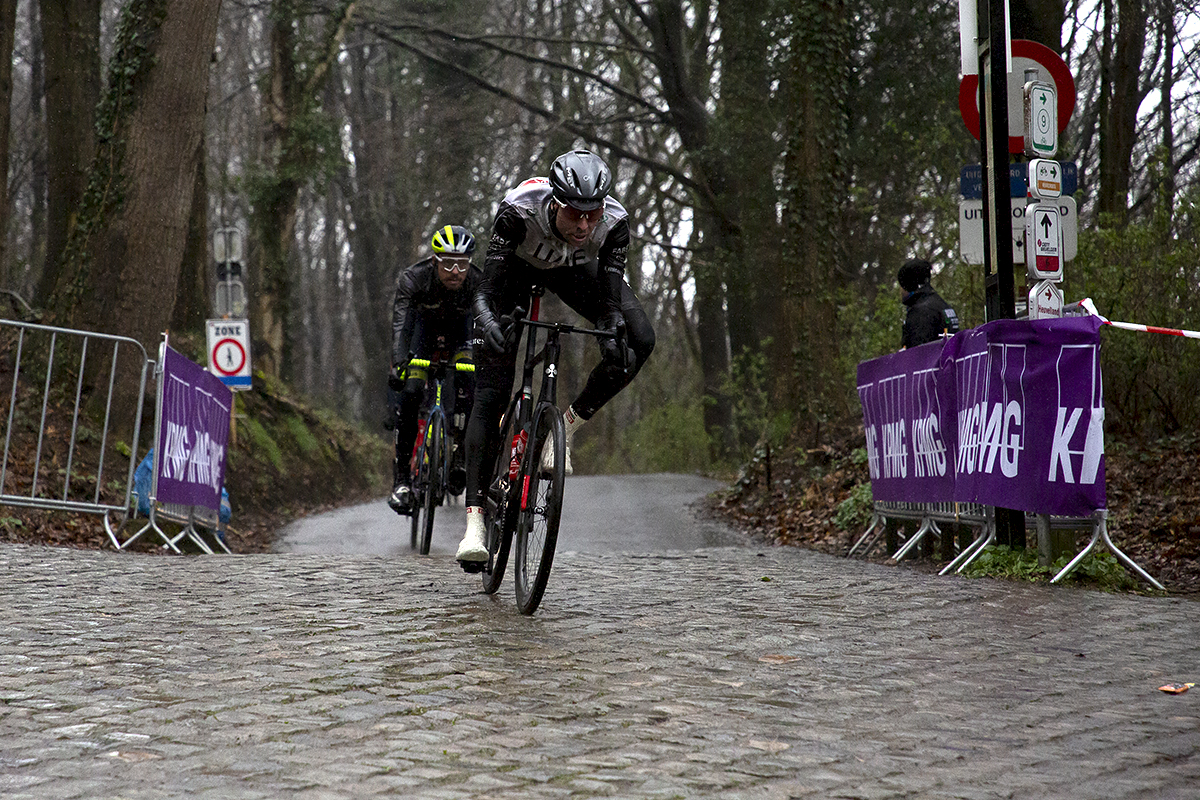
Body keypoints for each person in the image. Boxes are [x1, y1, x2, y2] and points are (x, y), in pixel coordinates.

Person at [454, 149, 656, 564]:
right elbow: (482, 289)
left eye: (592, 214)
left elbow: (610, 290)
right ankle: (474, 524)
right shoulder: (519, 211)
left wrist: (611, 324)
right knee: (490, 391)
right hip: (513, 274)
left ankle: (561, 430)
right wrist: (488, 322)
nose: (584, 225)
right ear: (555, 203)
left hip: (571, 273)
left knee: (639, 341)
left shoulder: (614, 222)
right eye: (574, 215)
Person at [386, 224, 481, 513]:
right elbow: (402, 322)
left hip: (461, 335)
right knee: (411, 393)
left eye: (462, 264)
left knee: (469, 390)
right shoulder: (414, 279)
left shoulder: (477, 282)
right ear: (434, 260)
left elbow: (486, 323)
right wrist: (399, 360)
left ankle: (461, 459)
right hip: (422, 335)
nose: (456, 271)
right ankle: (402, 480)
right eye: (449, 263)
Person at [898, 258, 959, 349]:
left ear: (909, 286)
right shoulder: (941, 305)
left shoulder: (920, 312)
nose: (900, 291)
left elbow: (917, 353)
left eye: (902, 286)